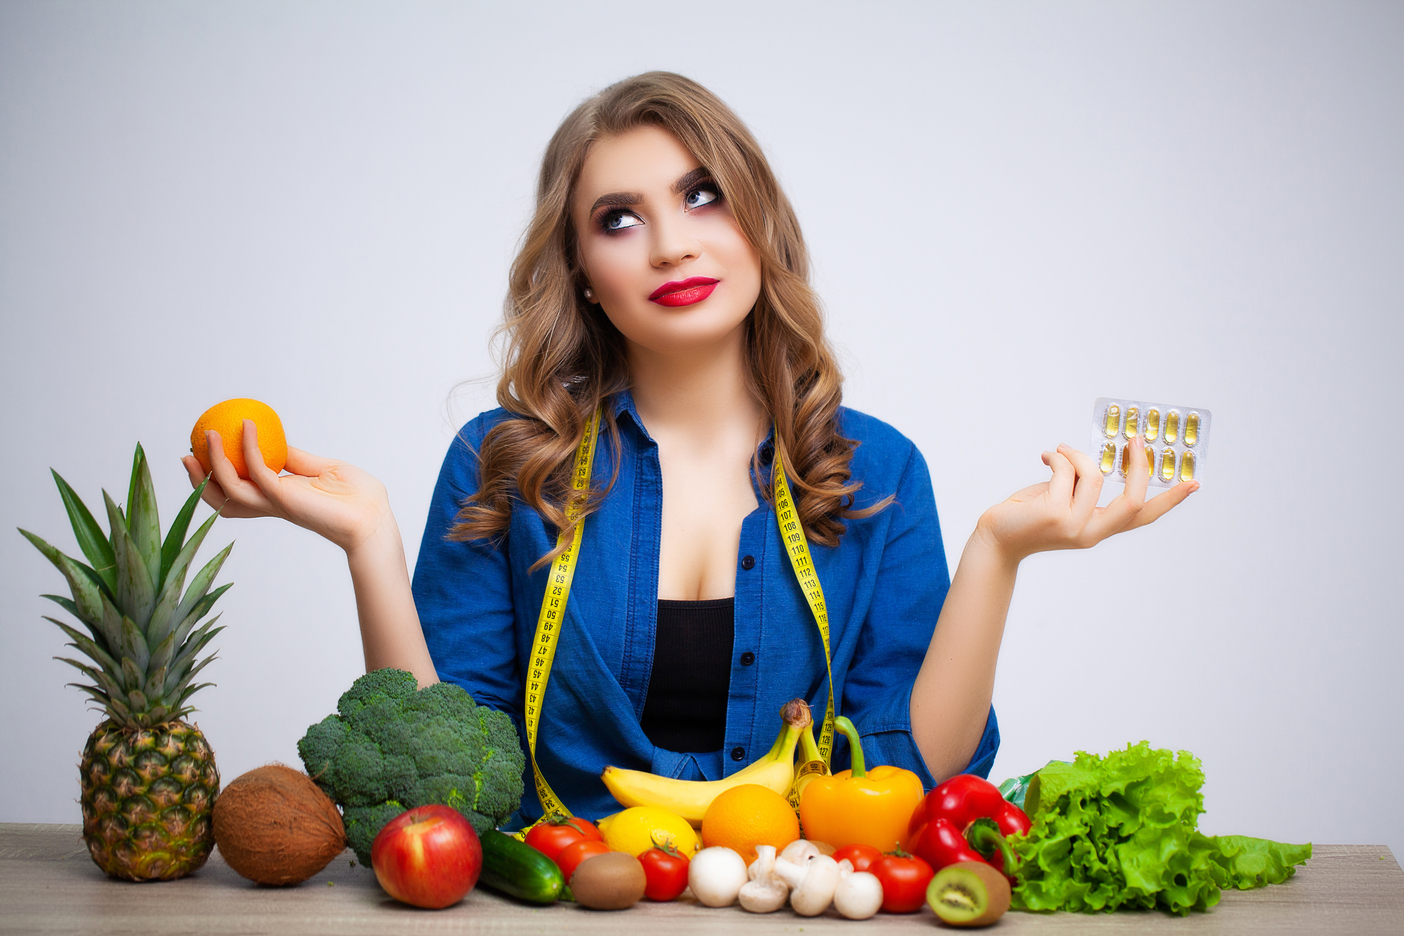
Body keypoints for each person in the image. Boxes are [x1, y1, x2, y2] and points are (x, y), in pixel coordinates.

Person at [183, 72, 1196, 825]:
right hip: (560, 906)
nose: (670, 244)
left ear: (759, 222)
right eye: (619, 219)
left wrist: (999, 552)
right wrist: (368, 543)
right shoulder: (507, 462)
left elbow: (916, 774)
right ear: (580, 270)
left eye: (702, 196)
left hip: (802, 904)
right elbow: (461, 781)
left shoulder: (877, 473)